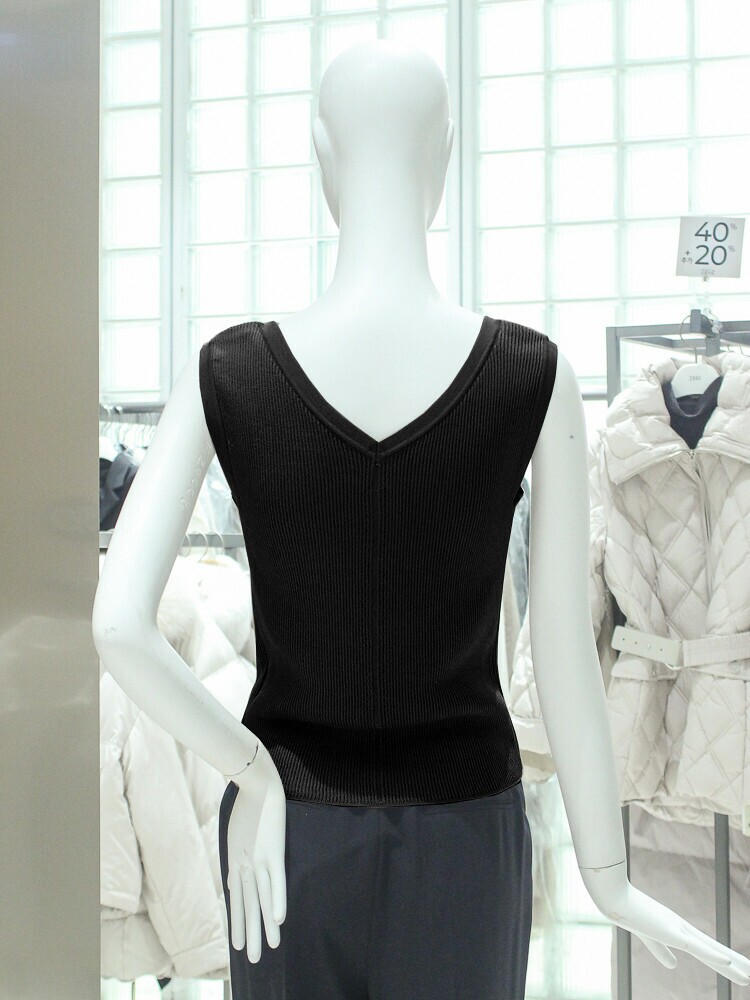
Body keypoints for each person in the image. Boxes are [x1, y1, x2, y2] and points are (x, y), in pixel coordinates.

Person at [93, 38, 750, 999]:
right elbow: (563, 655)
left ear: (321, 156)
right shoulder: (534, 375)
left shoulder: (226, 373)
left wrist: (253, 769)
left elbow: (118, 625)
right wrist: (606, 876)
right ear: (445, 154)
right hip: (466, 841)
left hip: (287, 834)